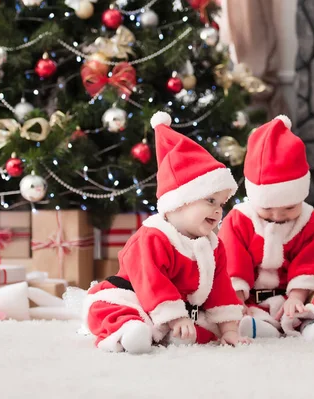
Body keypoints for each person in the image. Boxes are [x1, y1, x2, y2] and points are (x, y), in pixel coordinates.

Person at [83, 111, 249, 353]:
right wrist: (175, 316)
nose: (218, 211)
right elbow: (152, 281)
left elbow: (220, 287)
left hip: (179, 312)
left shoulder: (213, 245)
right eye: (210, 201)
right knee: (108, 309)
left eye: (222, 204)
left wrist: (229, 329)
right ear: (179, 202)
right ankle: (129, 332)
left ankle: (171, 334)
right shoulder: (152, 237)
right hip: (136, 297)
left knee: (205, 331)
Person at [218, 115, 314, 340]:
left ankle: (310, 328)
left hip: (291, 297)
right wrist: (237, 301)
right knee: (239, 317)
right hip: (250, 300)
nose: (278, 216)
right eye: (267, 209)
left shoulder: (308, 220)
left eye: (289, 207)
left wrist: (297, 296)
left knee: (308, 308)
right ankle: (259, 327)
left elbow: (309, 262)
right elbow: (232, 263)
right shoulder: (239, 220)